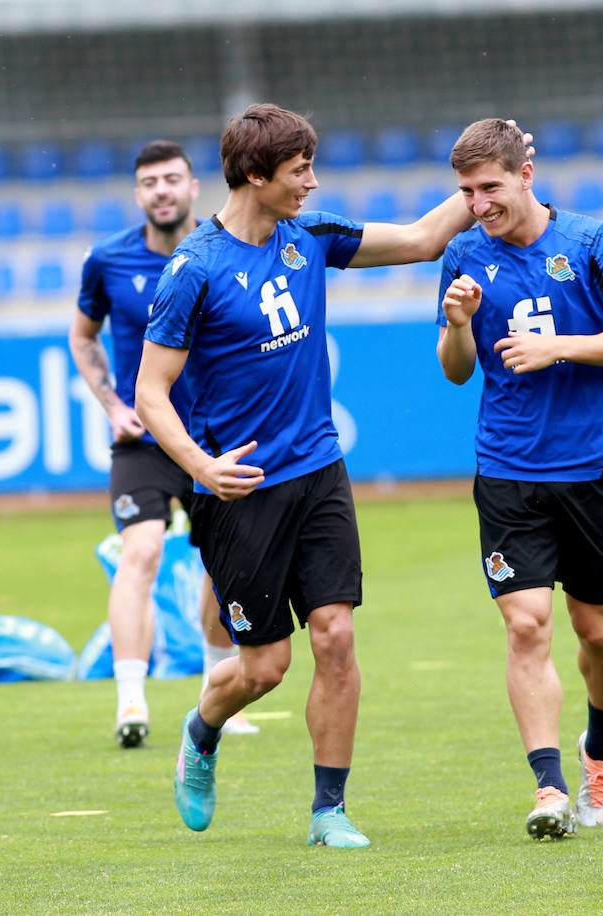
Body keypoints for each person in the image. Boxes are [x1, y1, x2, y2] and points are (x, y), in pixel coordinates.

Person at [135, 103, 508, 848]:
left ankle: (328, 811)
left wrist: (487, 177)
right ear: (254, 175)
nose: (311, 181)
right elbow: (150, 392)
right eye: (299, 169)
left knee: (336, 637)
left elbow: (429, 237)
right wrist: (202, 466)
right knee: (264, 667)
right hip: (239, 493)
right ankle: (202, 728)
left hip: (319, 471)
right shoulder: (193, 273)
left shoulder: (312, 236)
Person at [435, 119, 603, 840]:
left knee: (597, 631)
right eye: (467, 191)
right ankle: (549, 786)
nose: (478, 204)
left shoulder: (591, 243)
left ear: (525, 176)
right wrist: (458, 325)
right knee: (526, 624)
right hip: (505, 470)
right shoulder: (464, 253)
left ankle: (599, 756)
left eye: (489, 187)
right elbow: (456, 370)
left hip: (590, 469)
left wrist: (555, 348)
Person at [69, 140, 256, 747]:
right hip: (145, 440)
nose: (161, 190)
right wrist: (112, 405)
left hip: (212, 435)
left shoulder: (223, 251)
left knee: (219, 565)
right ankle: (130, 704)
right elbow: (83, 335)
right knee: (141, 552)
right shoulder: (108, 261)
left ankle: (216, 692)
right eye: (149, 181)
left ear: (194, 186)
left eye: (172, 179)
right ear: (137, 192)